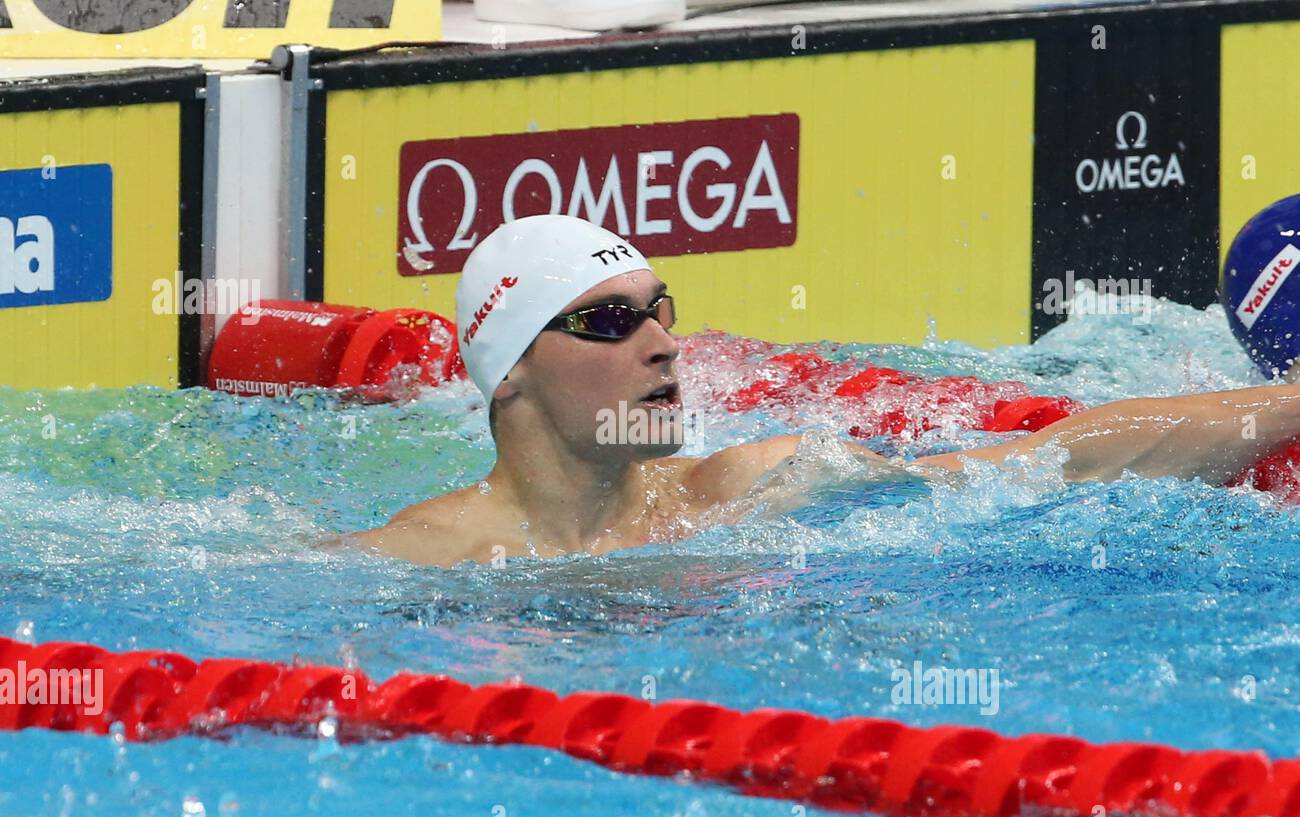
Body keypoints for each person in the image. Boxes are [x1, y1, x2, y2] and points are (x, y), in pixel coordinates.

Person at [346, 214, 1300, 567]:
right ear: (505, 368)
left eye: (660, 310)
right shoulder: (419, 558)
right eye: (607, 320)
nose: (662, 345)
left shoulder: (757, 486)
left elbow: (1056, 458)